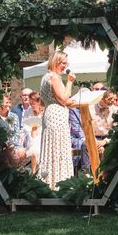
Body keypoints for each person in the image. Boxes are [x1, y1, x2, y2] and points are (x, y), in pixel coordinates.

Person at [39, 50, 78, 189]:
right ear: (56, 62)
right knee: (58, 148)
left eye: (66, 63)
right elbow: (63, 99)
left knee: (51, 149)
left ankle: (49, 181)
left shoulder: (45, 77)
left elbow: (49, 100)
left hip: (50, 113)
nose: (65, 66)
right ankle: (59, 184)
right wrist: (69, 82)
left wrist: (67, 102)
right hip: (56, 116)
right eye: (63, 63)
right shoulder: (54, 77)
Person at [0, 94, 26, 161]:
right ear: (0, 103)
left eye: (10, 103)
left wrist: (11, 145)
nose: (9, 105)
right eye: (6, 103)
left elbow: (16, 134)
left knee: (22, 151)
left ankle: (15, 170)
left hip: (13, 145)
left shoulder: (14, 116)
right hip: (0, 146)